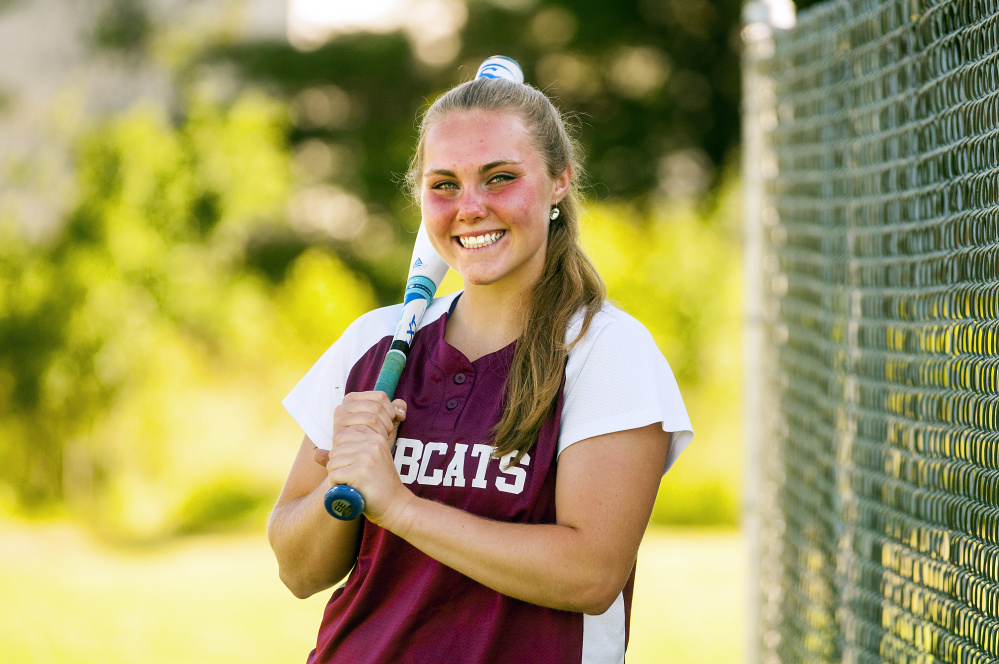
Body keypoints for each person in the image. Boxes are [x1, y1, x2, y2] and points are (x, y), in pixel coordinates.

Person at [268, 72, 693, 664]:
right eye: (445, 185)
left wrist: (399, 507)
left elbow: (591, 575)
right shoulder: (373, 343)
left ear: (559, 180)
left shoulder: (606, 351)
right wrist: (342, 483)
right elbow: (297, 571)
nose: (470, 208)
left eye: (500, 178)